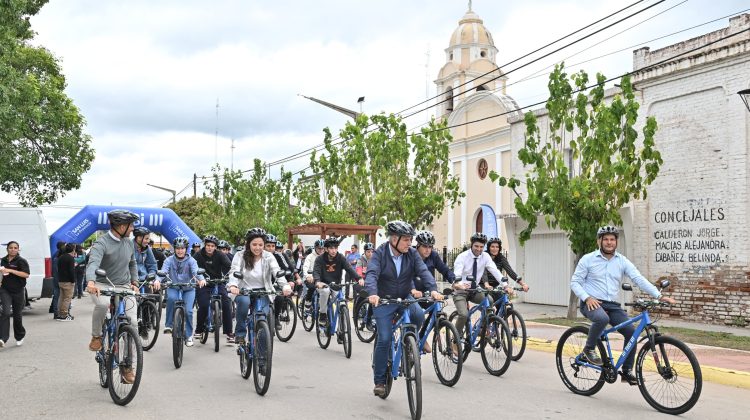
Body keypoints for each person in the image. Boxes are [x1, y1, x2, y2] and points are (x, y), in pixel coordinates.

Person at [571, 225, 676, 385]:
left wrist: (659, 296)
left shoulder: (622, 261)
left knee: (630, 332)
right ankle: (589, 349)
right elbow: (575, 282)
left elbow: (638, 279)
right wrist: (587, 298)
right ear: (599, 241)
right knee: (601, 318)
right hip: (591, 302)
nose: (609, 242)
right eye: (605, 239)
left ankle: (626, 371)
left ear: (616, 242)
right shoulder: (588, 259)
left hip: (612, 305)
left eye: (612, 239)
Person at [365, 221, 441, 397]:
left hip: (404, 297)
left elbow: (424, 272)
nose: (409, 243)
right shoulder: (380, 254)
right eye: (406, 239)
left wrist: (434, 289)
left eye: (410, 239)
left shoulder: (412, 254)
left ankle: (409, 344)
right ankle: (380, 381)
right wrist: (372, 293)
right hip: (383, 300)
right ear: (394, 239)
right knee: (384, 338)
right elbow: (372, 274)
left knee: (419, 315)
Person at [85, 209, 141, 384]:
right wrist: (91, 282)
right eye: (130, 225)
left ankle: (127, 367)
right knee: (102, 305)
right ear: (121, 226)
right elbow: (93, 262)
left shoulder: (129, 243)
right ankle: (96, 336)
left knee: (132, 323)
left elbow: (132, 263)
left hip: (123, 286)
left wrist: (135, 282)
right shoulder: (101, 242)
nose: (132, 229)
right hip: (102, 284)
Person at [227, 228, 292, 345]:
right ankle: (240, 333)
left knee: (263, 321)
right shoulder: (239, 255)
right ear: (248, 244)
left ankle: (262, 358)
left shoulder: (268, 256)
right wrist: (233, 285)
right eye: (254, 244)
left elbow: (276, 272)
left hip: (263, 291)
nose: (257, 248)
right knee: (244, 302)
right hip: (243, 290)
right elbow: (234, 272)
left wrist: (285, 286)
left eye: (261, 245)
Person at [451, 232, 505, 341]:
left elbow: (495, 271)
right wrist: (459, 284)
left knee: (489, 301)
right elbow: (457, 273)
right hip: (461, 290)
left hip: (475, 290)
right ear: (471, 245)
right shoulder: (462, 257)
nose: (479, 249)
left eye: (481, 247)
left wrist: (505, 285)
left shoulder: (485, 256)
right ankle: (455, 340)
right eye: (476, 246)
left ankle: (481, 328)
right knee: (463, 315)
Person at [153, 237, 205, 347]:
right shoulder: (169, 260)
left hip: (188, 288)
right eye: (177, 248)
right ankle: (169, 325)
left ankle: (189, 335)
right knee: (171, 299)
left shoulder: (191, 260)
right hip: (174, 287)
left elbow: (196, 271)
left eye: (182, 248)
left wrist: (201, 279)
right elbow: (163, 271)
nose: (180, 251)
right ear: (174, 249)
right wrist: (157, 280)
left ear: (186, 249)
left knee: (189, 311)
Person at [414, 231, 455, 353]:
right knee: (416, 315)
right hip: (413, 292)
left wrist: (454, 281)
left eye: (430, 247)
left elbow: (445, 270)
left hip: (429, 292)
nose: (428, 250)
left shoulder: (433, 256)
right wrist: (413, 290)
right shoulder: (411, 255)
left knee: (437, 311)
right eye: (425, 246)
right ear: (418, 246)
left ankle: (422, 336)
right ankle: (413, 336)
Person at [193, 235, 234, 343]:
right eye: (208, 245)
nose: (210, 248)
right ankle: (199, 330)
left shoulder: (220, 254)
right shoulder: (198, 255)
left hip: (218, 282)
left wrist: (228, 275)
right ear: (205, 245)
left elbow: (230, 266)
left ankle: (229, 333)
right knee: (204, 305)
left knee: (226, 302)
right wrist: (197, 278)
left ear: (215, 247)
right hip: (203, 283)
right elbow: (192, 267)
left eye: (212, 246)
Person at [312, 236, 361, 326]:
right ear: (326, 249)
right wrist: (318, 281)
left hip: (336, 285)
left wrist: (359, 278)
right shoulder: (319, 259)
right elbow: (316, 271)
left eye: (335, 248)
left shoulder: (340, 257)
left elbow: (349, 269)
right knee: (325, 292)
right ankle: (322, 314)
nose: (334, 250)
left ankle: (342, 328)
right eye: (331, 248)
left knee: (341, 302)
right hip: (323, 284)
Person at [0, 241, 30, 347]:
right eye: (11, 248)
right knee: (6, 312)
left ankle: (20, 335)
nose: (13, 249)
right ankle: (3, 339)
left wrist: (11, 271)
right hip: (5, 290)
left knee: (17, 315)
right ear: (7, 249)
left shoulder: (21, 261)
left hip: (18, 290)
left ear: (18, 249)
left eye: (15, 248)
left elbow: (26, 274)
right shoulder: (2, 260)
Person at [302, 239, 325, 309]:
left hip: (321, 277)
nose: (321, 250)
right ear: (315, 248)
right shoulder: (310, 256)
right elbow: (305, 267)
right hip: (310, 277)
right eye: (319, 248)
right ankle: (308, 301)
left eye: (322, 248)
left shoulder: (325, 256)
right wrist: (307, 276)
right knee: (312, 287)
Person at [56, 243, 77, 321]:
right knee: (67, 298)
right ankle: (64, 315)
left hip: (61, 280)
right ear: (73, 249)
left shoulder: (60, 257)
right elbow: (71, 271)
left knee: (61, 298)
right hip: (68, 281)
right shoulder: (70, 258)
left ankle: (59, 314)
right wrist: (73, 281)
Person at [49, 240, 66, 318]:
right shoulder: (59, 255)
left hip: (56, 277)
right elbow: (56, 268)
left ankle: (54, 310)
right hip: (59, 278)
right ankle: (57, 313)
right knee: (58, 295)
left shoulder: (56, 254)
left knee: (57, 295)